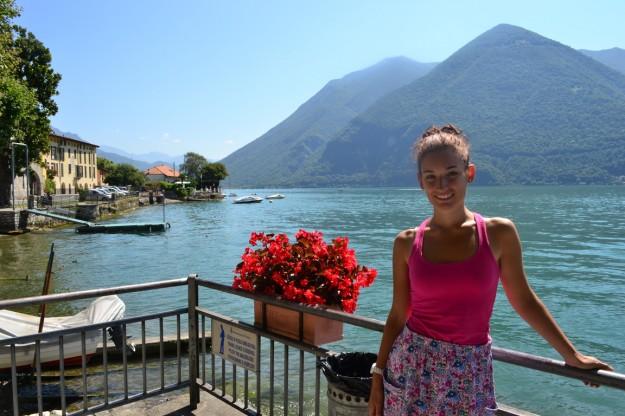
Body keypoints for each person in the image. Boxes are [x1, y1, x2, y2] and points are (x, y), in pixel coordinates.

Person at [368, 125, 613, 415]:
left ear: (469, 173)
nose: (442, 186)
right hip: (410, 366)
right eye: (431, 177)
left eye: (451, 174)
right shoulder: (406, 243)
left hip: (468, 370)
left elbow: (523, 299)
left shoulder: (499, 234)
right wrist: (378, 375)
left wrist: (572, 355)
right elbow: (398, 314)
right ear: (421, 181)